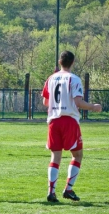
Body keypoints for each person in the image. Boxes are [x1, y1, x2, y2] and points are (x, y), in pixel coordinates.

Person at [41, 50, 102, 203]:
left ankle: (51, 191)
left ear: (59, 62)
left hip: (53, 121)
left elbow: (45, 103)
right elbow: (78, 102)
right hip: (69, 121)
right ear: (73, 62)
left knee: (55, 156)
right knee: (77, 155)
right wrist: (94, 106)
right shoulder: (74, 79)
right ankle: (68, 189)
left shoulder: (51, 78)